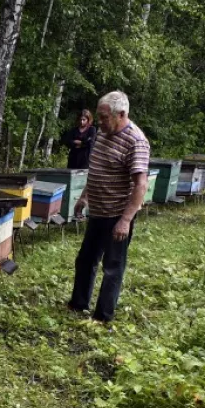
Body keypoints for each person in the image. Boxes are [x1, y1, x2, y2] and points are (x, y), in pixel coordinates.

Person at [67, 90, 150, 324]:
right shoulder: (103, 134)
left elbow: (141, 185)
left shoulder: (136, 141)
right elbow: (97, 170)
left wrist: (125, 220)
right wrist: (84, 197)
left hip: (117, 215)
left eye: (104, 117)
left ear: (121, 114)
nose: (100, 122)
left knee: (112, 266)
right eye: (99, 116)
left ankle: (103, 316)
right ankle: (78, 303)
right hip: (98, 211)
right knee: (85, 260)